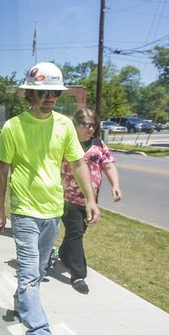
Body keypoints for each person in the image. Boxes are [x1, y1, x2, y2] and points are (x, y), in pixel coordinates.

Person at [0, 61, 100, 335]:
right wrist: (0, 210)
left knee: (36, 273)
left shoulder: (65, 125)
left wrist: (91, 199)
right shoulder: (14, 126)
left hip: (54, 211)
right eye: (42, 92)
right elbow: (2, 170)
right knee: (29, 275)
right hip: (25, 212)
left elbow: (78, 164)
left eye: (53, 92)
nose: (49, 97)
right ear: (29, 94)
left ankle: (21, 301)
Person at [58, 108, 122, 294]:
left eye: (93, 125)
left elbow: (108, 165)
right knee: (76, 232)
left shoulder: (99, 144)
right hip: (67, 198)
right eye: (86, 124)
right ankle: (78, 275)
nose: (90, 129)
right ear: (75, 125)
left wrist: (115, 185)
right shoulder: (66, 143)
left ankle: (63, 254)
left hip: (90, 201)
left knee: (76, 233)